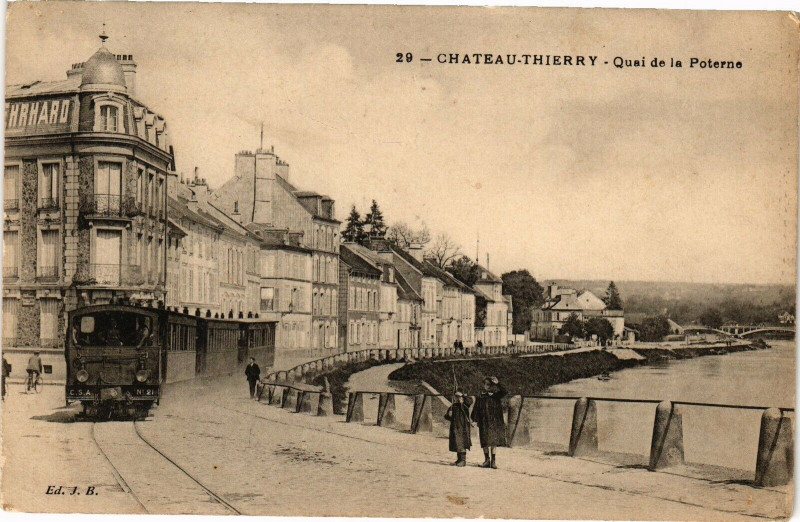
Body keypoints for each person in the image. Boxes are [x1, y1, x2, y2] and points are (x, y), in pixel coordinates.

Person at [471, 376, 507, 469]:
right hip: (483, 421)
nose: (488, 386)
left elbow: (505, 392)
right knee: (485, 441)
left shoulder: (496, 396)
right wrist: (474, 420)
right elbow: (476, 408)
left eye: (490, 384)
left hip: (494, 422)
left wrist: (498, 383)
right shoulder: (481, 396)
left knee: (493, 441)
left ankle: (493, 461)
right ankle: (487, 460)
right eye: (486, 384)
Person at [444, 389, 473, 466]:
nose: (457, 398)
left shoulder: (465, 405)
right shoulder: (453, 405)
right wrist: (448, 415)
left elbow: (470, 401)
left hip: (463, 427)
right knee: (457, 443)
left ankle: (463, 461)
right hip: (455, 427)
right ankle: (459, 459)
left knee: (462, 442)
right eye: (456, 396)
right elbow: (446, 417)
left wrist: (463, 398)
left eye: (459, 396)